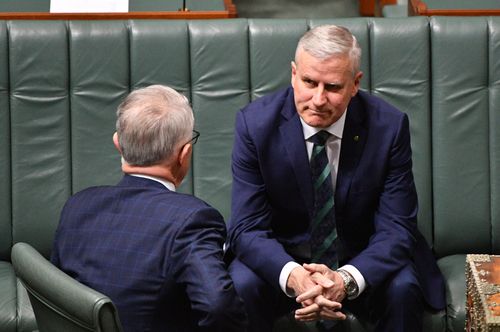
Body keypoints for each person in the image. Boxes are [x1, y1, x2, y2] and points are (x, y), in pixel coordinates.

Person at [227, 25, 446, 331]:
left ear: (355, 84)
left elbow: (397, 227)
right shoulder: (254, 125)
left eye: (332, 87)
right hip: (283, 260)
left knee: (403, 288)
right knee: (241, 285)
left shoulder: (389, 127)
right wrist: (294, 276)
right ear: (293, 74)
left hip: (362, 258)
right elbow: (246, 227)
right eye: (308, 82)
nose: (318, 99)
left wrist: (344, 279)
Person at [51, 85, 247, 332]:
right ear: (184, 154)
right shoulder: (193, 220)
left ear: (118, 145)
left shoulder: (77, 206)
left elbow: (58, 296)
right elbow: (219, 308)